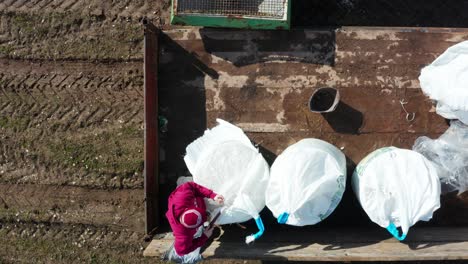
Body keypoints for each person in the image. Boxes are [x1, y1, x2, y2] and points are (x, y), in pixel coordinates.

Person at [165, 181, 224, 260]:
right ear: (192, 228)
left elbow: (191, 185)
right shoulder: (183, 235)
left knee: (184, 181)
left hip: (191, 196)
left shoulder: (182, 197)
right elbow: (181, 251)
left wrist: (212, 195)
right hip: (197, 202)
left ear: (188, 208)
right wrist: (204, 236)